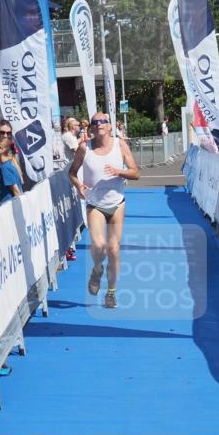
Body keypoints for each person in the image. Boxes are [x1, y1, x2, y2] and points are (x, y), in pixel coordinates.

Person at [67, 112, 141, 309]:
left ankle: (111, 293)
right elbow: (72, 173)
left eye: (103, 121)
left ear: (109, 126)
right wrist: (79, 186)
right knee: (99, 246)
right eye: (95, 122)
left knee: (114, 249)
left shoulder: (120, 145)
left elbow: (136, 173)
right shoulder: (85, 147)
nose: (99, 124)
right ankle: (97, 270)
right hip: (95, 204)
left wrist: (120, 171)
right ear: (91, 127)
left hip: (117, 203)